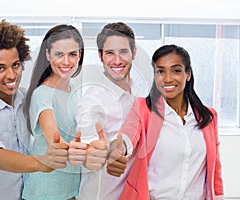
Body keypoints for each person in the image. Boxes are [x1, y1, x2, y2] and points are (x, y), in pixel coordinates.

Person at [0, 20, 69, 200]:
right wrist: (40, 162)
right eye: (0, 68)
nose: (11, 75)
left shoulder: (27, 98)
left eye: (16, 65)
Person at [109, 44, 224, 200]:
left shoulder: (209, 117)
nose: (168, 78)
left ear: (188, 74)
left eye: (176, 70)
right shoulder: (143, 108)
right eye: (161, 71)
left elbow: (214, 169)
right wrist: (117, 149)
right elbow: (129, 134)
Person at [69, 22, 140, 200]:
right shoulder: (92, 102)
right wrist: (94, 153)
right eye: (110, 53)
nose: (117, 60)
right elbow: (89, 147)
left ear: (134, 52)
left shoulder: (138, 93)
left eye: (123, 51)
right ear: (100, 56)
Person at [22, 24, 87, 200]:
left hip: (69, 189)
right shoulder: (42, 94)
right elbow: (54, 138)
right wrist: (91, 151)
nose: (66, 62)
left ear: (79, 55)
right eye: (59, 54)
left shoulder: (74, 91)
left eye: (72, 54)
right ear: (48, 54)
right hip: (44, 190)